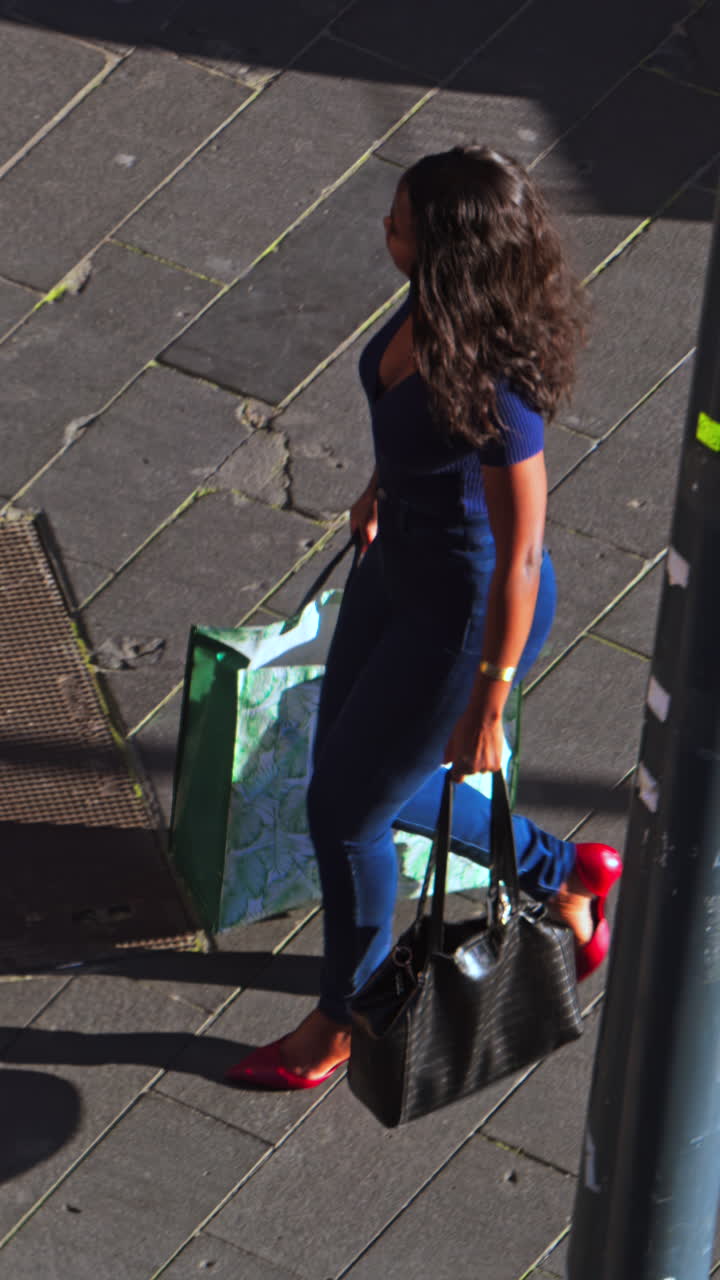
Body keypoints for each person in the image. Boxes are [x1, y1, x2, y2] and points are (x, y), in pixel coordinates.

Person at [227, 145, 622, 1091]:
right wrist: (377, 487)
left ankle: (346, 1020)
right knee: (350, 780)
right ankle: (564, 873)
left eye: (400, 222)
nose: (386, 232)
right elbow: (410, 422)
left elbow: (522, 549)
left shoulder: (500, 385)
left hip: (463, 609)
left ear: (447, 249)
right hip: (394, 563)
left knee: (345, 812)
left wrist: (491, 694)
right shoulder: (437, 308)